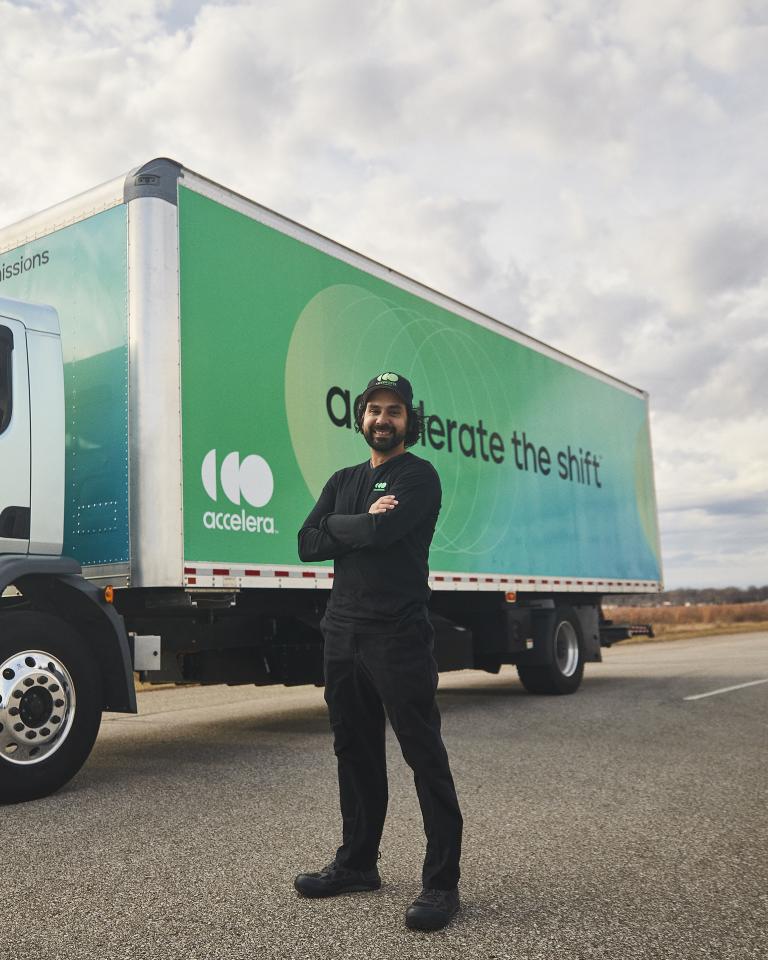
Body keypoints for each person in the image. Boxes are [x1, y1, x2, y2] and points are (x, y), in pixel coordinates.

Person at [294, 372, 463, 932]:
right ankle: (357, 865)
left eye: (394, 410)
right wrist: (360, 521)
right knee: (355, 751)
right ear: (360, 417)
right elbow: (306, 542)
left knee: (423, 754)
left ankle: (441, 884)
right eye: (373, 409)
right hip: (342, 633)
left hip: (398, 633)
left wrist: (349, 528)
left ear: (409, 420)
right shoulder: (343, 478)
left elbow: (381, 537)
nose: (382, 419)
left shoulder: (420, 477)